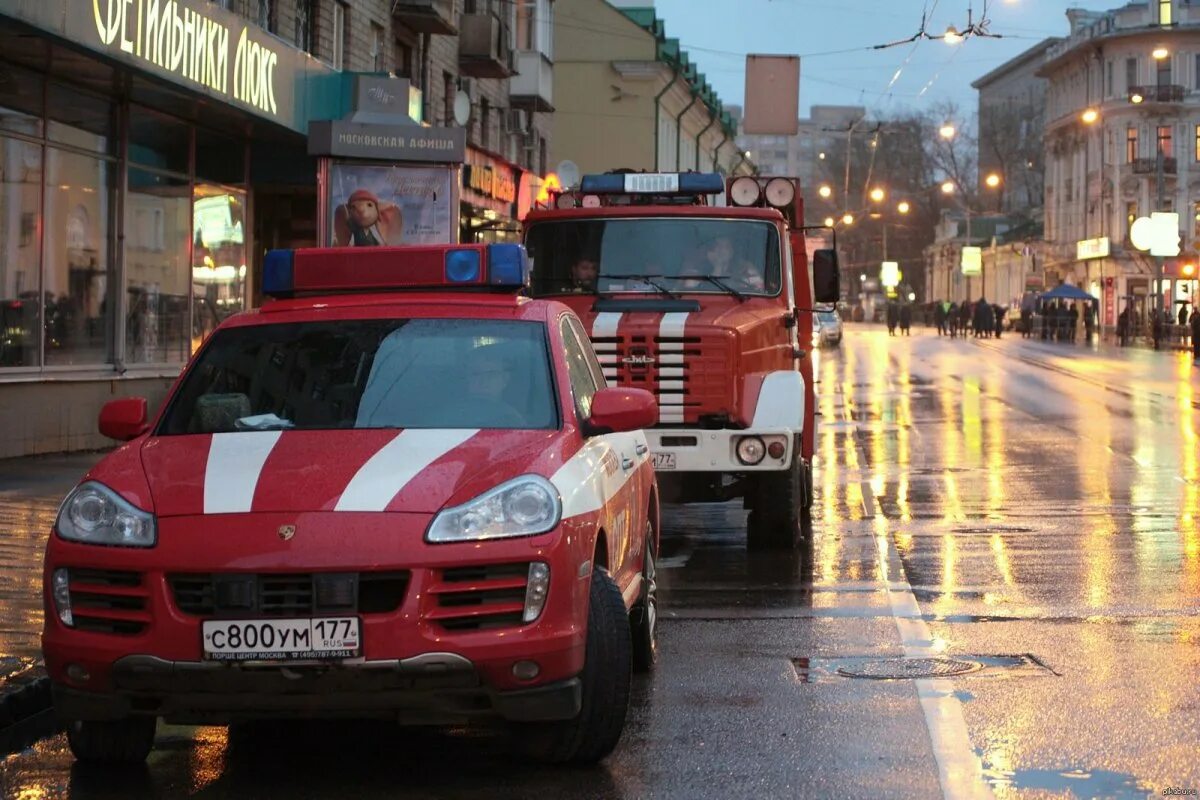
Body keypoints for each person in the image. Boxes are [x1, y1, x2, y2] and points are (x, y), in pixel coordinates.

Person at [333, 189, 403, 247]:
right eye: (353, 207)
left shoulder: (370, 234)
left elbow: (374, 241)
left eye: (369, 205)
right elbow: (350, 224)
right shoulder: (355, 228)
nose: (361, 210)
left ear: (379, 213)